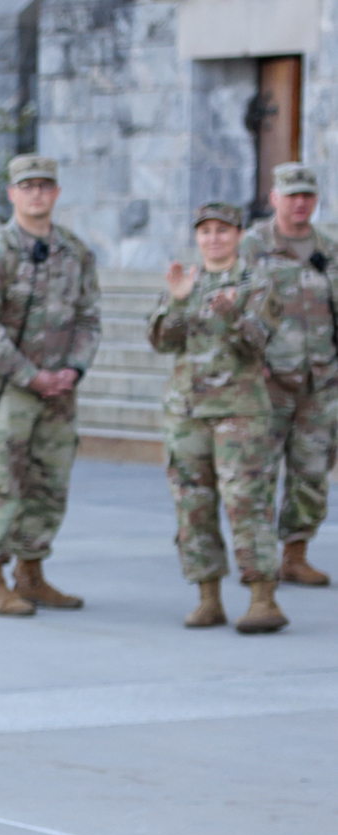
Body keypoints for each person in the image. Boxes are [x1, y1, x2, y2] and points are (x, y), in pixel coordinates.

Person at [0, 154, 101, 616]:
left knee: (49, 484)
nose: (36, 194)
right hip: (4, 393)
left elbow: (89, 318)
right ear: (11, 194)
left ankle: (31, 574)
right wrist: (28, 375)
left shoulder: (75, 252)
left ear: (56, 193)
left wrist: (73, 369)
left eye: (44, 186)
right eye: (27, 186)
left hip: (57, 393)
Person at [148, 202, 288, 633]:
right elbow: (162, 341)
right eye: (205, 230)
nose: (213, 238)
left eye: (222, 230)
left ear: (238, 235)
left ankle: (263, 598)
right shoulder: (185, 281)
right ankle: (208, 597)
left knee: (246, 503)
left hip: (238, 413)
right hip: (186, 412)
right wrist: (177, 301)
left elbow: (258, 342)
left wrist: (231, 315)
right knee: (192, 505)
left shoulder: (257, 283)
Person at [239, 162, 335, 587]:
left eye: (307, 195)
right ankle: (256, 559)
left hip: (320, 382)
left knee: (312, 472)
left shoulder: (329, 248)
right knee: (256, 472)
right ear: (274, 197)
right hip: (268, 380)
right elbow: (234, 307)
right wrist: (248, 361)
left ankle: (295, 555)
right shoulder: (251, 246)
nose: (300, 202)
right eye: (291, 194)